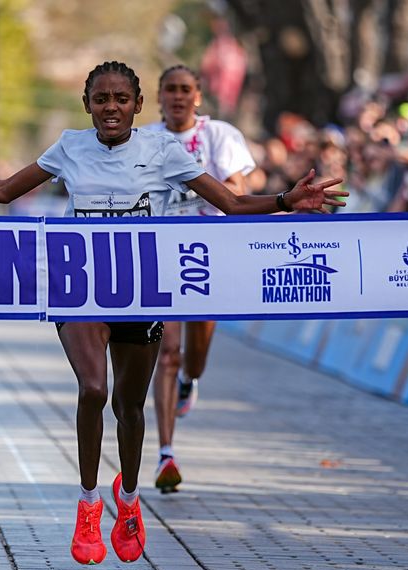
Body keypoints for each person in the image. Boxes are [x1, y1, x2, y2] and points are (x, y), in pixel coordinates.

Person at [0, 61, 347, 566]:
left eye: (121, 99)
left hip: (139, 291)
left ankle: (128, 499)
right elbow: (3, 190)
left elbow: (231, 204)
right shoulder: (70, 147)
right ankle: (88, 505)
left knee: (129, 409)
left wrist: (286, 199)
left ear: (137, 105)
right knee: (93, 389)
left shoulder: (162, 150)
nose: (111, 108)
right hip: (79, 288)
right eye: (101, 99)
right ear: (87, 105)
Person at [141, 65, 256, 494]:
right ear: (158, 97)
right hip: (163, 253)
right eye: (169, 89)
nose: (177, 96)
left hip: (210, 252)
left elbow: (238, 191)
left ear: (198, 96)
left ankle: (191, 380)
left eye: (185, 89)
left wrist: (198, 185)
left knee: (196, 352)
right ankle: (166, 453)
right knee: (167, 352)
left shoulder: (219, 135)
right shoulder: (144, 139)